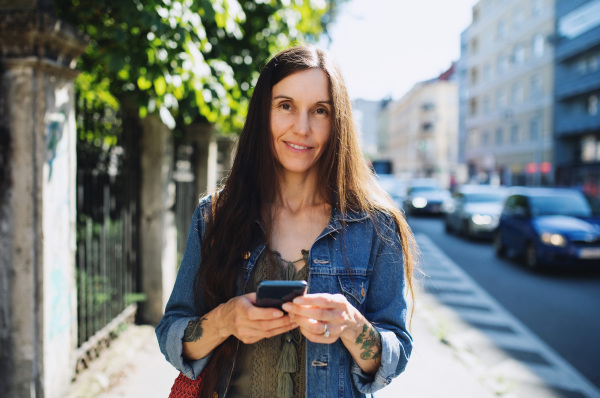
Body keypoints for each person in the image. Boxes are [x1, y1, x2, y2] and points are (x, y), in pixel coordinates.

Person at [156, 44, 417, 398]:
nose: (302, 127)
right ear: (264, 113)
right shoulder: (214, 215)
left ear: (337, 121)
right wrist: (225, 320)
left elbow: (395, 352)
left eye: (320, 111)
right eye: (285, 106)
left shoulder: (377, 227)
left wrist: (351, 326)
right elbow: (173, 334)